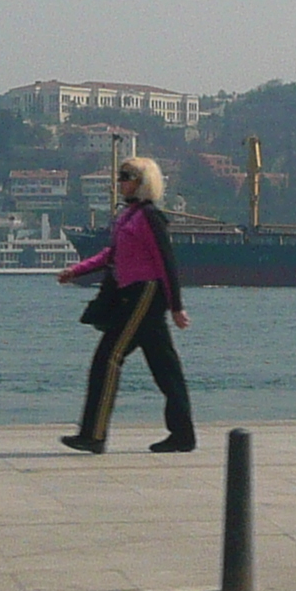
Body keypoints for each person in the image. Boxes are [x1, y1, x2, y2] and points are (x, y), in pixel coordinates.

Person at [57, 156, 194, 454]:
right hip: (129, 293)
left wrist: (176, 306)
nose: (120, 182)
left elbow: (166, 261)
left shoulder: (149, 217)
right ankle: (183, 434)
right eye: (120, 176)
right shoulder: (128, 216)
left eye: (127, 176)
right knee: (165, 367)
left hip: (144, 294)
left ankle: (94, 434)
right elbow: (111, 255)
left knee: (108, 357)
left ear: (143, 182)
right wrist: (76, 271)